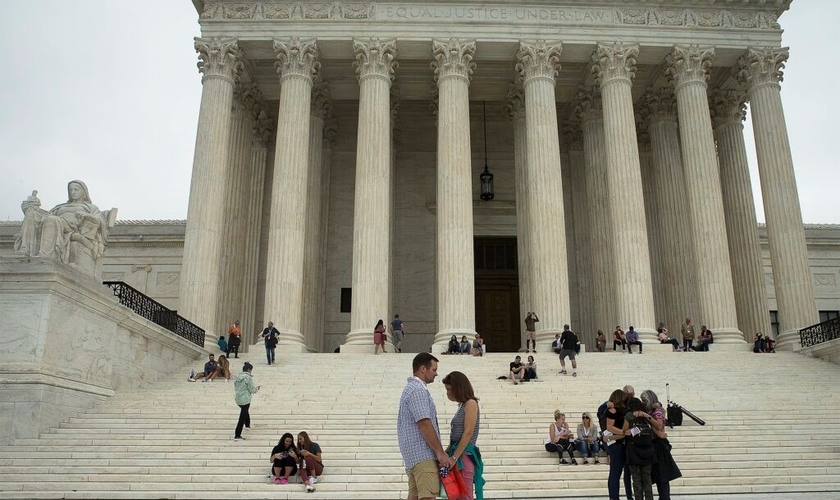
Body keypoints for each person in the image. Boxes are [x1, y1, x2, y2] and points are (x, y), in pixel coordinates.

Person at [14, 180, 113, 267]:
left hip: (72, 227)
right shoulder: (61, 206)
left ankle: (45, 254)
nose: (73, 192)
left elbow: (101, 222)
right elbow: (45, 216)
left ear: (83, 192)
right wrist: (32, 208)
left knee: (52, 220)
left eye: (76, 189)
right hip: (57, 222)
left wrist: (86, 216)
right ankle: (25, 249)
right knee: (31, 214)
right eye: (71, 190)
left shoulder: (91, 207)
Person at [397, 353, 448, 500]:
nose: (436, 373)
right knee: (427, 496)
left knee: (415, 496)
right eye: (434, 369)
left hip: (414, 456)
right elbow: (424, 423)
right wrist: (440, 453)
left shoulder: (410, 389)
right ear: (423, 369)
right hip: (423, 455)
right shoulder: (417, 390)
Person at [442, 371, 485, 500]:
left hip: (464, 456)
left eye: (450, 389)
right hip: (456, 454)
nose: (448, 393)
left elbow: (468, 433)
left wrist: (454, 457)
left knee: (465, 495)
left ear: (458, 388)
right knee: (455, 495)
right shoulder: (462, 405)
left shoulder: (470, 403)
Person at [641, 390, 681, 500]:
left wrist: (647, 417)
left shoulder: (656, 412)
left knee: (662, 475)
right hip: (654, 444)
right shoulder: (651, 410)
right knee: (659, 475)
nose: (642, 402)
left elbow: (659, 425)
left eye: (644, 400)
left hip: (659, 445)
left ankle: (664, 497)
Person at [622, 397, 656, 500]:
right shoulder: (646, 415)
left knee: (636, 479)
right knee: (647, 479)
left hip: (633, 451)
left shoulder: (629, 416)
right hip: (648, 450)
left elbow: (624, 431)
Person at [604, 389, 632, 500]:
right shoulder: (612, 410)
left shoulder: (621, 409)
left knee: (620, 473)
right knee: (615, 473)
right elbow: (609, 427)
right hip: (617, 444)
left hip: (621, 442)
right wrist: (624, 432)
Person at [233, 362, 259, 440]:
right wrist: (257, 388)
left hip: (238, 398)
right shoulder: (248, 378)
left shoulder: (238, 377)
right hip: (245, 399)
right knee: (242, 417)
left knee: (245, 411)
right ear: (248, 369)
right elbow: (252, 390)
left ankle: (247, 425)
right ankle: (237, 435)